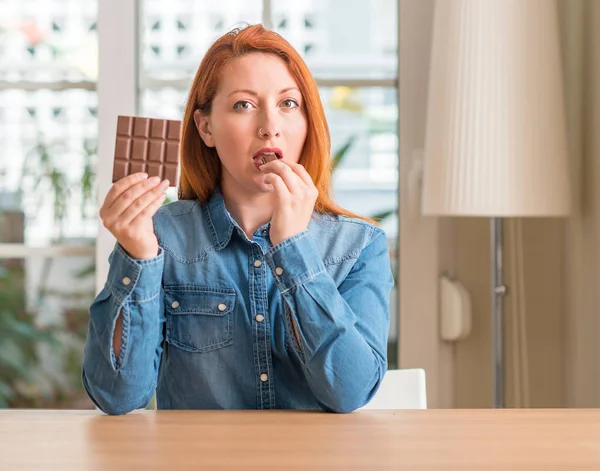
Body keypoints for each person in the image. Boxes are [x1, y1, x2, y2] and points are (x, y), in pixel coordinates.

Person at [82, 24, 394, 415]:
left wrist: (294, 249)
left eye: (288, 104)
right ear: (206, 127)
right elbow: (116, 396)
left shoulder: (359, 247)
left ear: (307, 121)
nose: (269, 126)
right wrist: (139, 255)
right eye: (243, 105)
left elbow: (350, 392)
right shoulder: (159, 234)